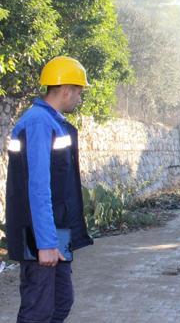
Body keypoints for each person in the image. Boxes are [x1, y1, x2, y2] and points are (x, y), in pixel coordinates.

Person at [6, 56, 93, 322]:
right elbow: (38, 187)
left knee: (62, 302)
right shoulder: (38, 122)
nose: (79, 98)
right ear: (65, 90)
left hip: (57, 231)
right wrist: (45, 243)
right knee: (38, 311)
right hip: (39, 234)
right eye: (79, 91)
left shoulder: (53, 122)